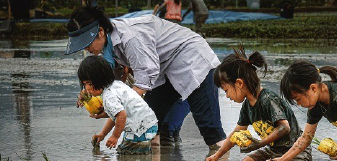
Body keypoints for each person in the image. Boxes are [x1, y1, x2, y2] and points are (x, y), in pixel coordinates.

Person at [66, 6, 226, 151]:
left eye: (87, 44)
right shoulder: (108, 45)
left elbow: (143, 80)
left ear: (100, 31)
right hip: (164, 70)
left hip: (193, 61)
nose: (86, 49)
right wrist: (90, 96)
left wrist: (114, 109)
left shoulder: (130, 39)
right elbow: (113, 86)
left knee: (210, 129)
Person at [206, 47, 312, 161]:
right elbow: (236, 133)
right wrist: (217, 155)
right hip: (274, 150)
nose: (227, 96)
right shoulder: (247, 106)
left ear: (239, 83)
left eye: (226, 90)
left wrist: (259, 144)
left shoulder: (268, 99)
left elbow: (284, 127)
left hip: (295, 151)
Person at [77, 56, 158, 154]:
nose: (87, 88)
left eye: (89, 84)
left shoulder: (109, 96)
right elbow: (116, 115)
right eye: (85, 84)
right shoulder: (116, 84)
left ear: (100, 79)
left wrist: (115, 136)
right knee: (139, 155)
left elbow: (121, 115)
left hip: (138, 129)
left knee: (126, 155)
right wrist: (103, 134)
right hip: (148, 125)